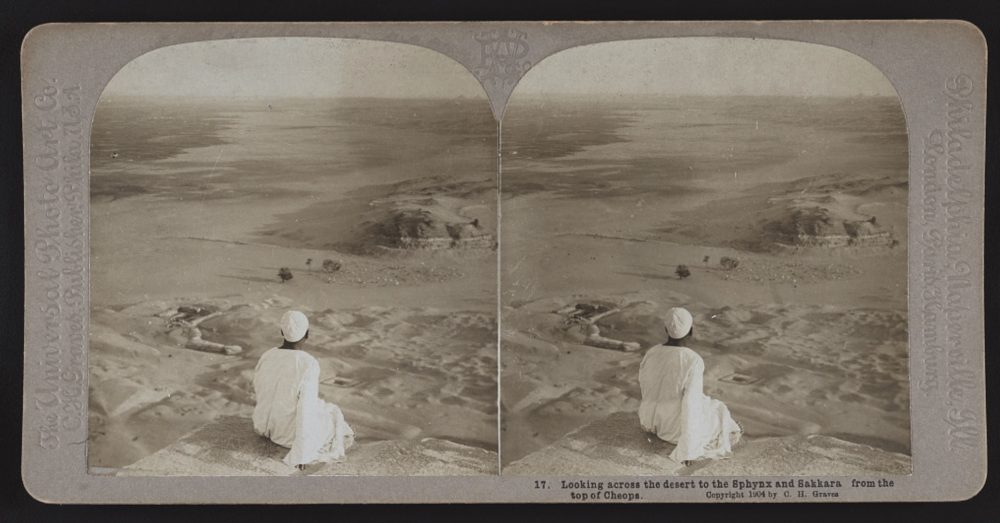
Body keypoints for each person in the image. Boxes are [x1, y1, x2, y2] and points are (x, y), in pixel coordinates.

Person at [638, 307, 742, 465]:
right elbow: (690, 404)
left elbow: (645, 386)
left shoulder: (652, 352)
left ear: (666, 329)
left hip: (648, 422)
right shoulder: (692, 360)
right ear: (691, 331)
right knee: (719, 411)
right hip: (672, 431)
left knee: (707, 405)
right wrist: (688, 450)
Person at [253, 310, 354, 469]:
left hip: (263, 427)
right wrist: (302, 453)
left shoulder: (267, 355)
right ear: (307, 334)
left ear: (282, 332)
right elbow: (305, 409)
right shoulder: (308, 363)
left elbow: (259, 390)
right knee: (333, 415)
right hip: (286, 437)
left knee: (321, 408)